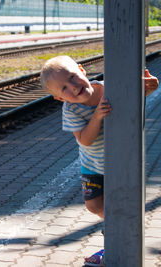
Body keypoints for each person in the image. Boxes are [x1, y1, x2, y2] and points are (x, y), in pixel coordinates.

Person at [40, 55, 159, 266]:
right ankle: (115, 233)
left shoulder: (111, 88)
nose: (73, 87)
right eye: (65, 89)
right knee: (94, 205)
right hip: (92, 166)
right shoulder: (71, 110)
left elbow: (137, 99)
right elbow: (85, 140)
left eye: (73, 77)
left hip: (122, 165)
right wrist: (96, 116)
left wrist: (150, 87)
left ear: (82, 70)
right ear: (60, 98)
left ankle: (115, 244)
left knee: (124, 206)